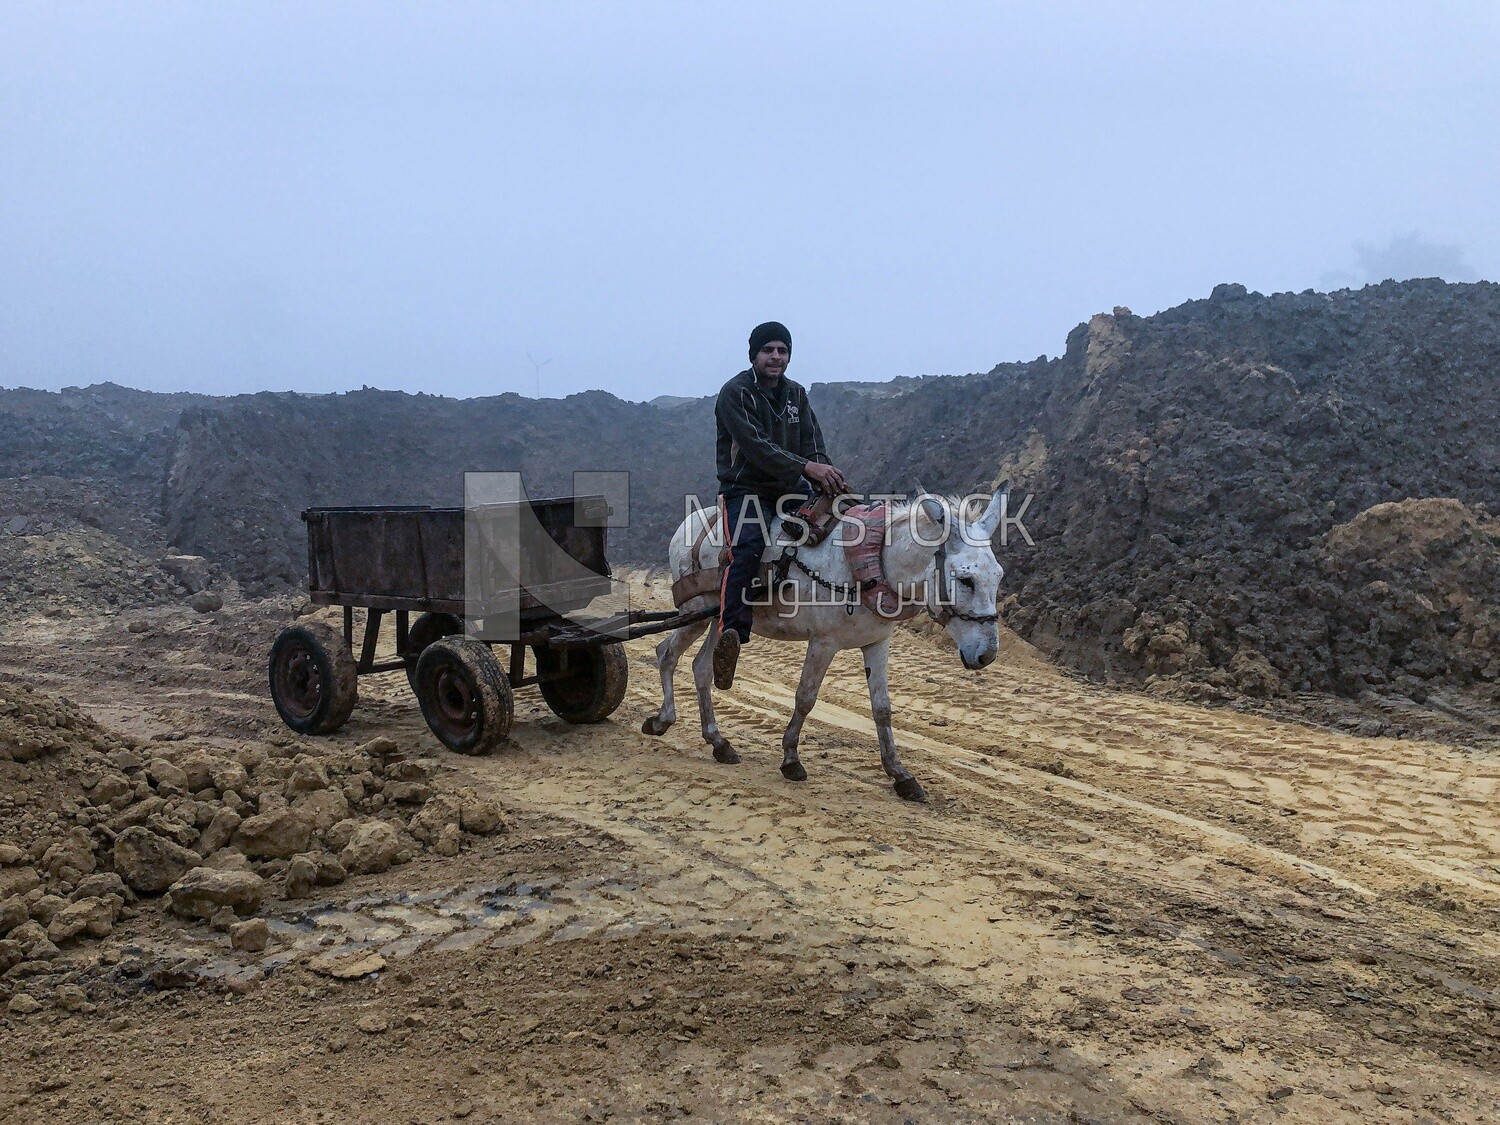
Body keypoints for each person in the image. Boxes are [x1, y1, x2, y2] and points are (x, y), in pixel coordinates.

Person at [712, 321, 849, 689]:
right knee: (749, 546)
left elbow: (812, 442)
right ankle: (733, 633)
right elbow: (757, 447)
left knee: (841, 524)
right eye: (768, 350)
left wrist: (824, 474)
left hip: (790, 488)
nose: (776, 357)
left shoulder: (796, 395)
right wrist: (807, 467)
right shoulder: (735, 394)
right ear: (754, 354)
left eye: (782, 351)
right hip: (746, 490)